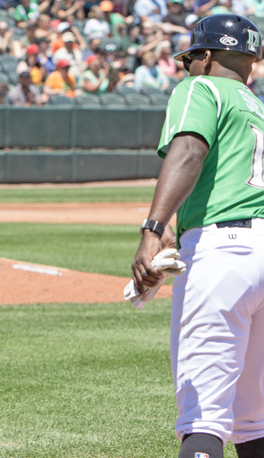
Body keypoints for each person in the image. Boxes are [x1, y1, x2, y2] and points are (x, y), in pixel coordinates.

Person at [131, 14, 264, 458]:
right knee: (254, 422)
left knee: (203, 419)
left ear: (206, 57)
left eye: (190, 58)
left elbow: (189, 149)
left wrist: (153, 228)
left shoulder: (200, 88)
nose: (186, 67)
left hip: (223, 255)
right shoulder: (258, 109)